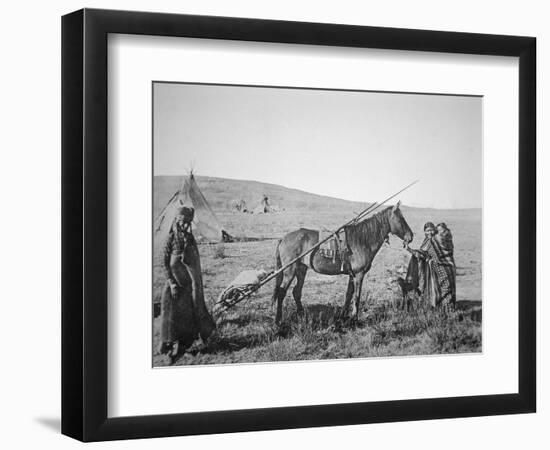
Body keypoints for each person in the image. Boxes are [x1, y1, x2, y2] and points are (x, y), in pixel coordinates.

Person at [158, 206, 216, 361]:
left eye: (188, 223)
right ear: (177, 220)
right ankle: (168, 345)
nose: (184, 226)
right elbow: (164, 263)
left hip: (187, 287)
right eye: (182, 222)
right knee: (169, 315)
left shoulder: (190, 238)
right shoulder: (170, 238)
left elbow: (194, 264)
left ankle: (183, 346)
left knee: (186, 317)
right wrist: (171, 283)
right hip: (174, 286)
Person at [405, 221, 456, 308]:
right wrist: (409, 249)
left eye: (431, 230)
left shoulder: (437, 239)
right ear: (424, 232)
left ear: (435, 231)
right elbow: (423, 254)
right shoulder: (428, 241)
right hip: (438, 268)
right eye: (427, 231)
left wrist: (411, 250)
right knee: (440, 288)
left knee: (447, 288)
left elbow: (424, 254)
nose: (429, 232)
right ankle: (442, 309)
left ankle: (448, 310)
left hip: (446, 267)